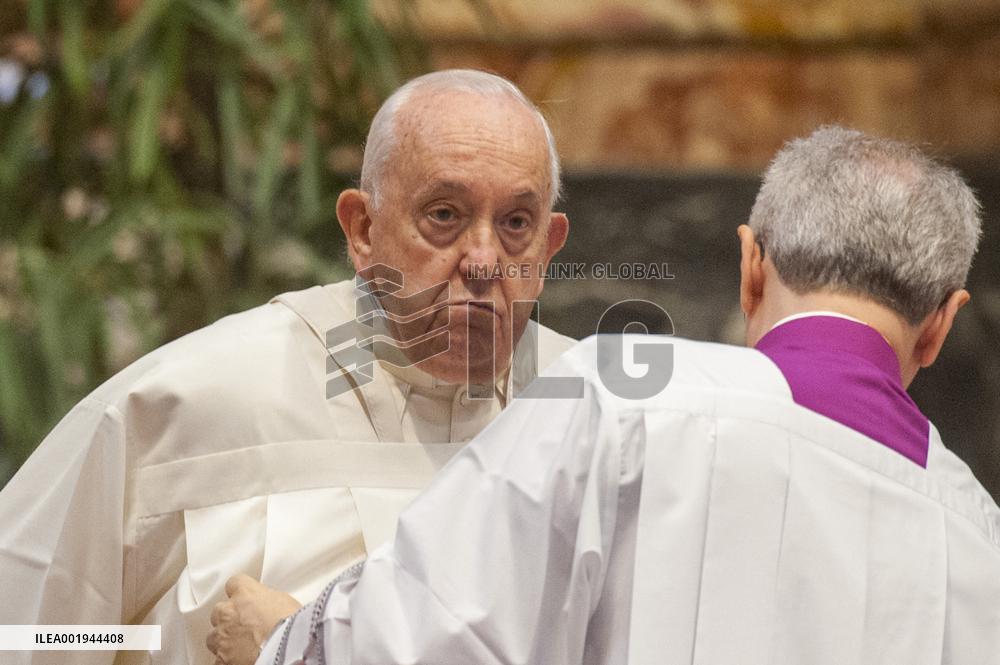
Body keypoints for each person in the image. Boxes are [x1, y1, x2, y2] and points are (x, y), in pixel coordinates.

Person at [208, 126, 1000, 665]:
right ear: (939, 326)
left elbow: (433, 634)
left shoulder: (625, 398)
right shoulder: (980, 538)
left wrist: (286, 638)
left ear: (750, 266)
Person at [0, 69, 574, 665]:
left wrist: (294, 648)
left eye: (515, 224)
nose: (482, 262)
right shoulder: (192, 400)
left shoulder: (596, 420)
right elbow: (29, 634)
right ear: (363, 230)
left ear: (550, 244)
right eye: (444, 215)